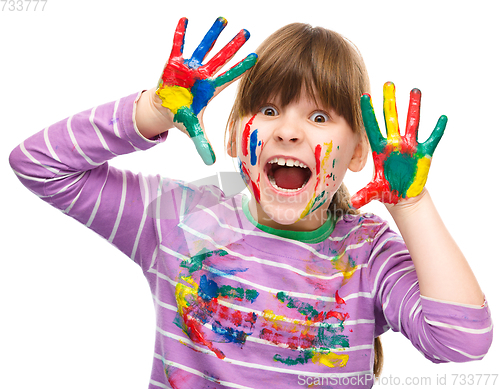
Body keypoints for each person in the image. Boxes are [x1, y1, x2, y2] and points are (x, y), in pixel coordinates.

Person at [9, 17, 492, 389]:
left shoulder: (367, 254)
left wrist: (411, 204)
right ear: (239, 134)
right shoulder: (177, 219)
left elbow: (462, 342)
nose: (287, 130)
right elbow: (37, 164)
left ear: (360, 149)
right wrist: (153, 111)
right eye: (268, 109)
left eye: (320, 116)